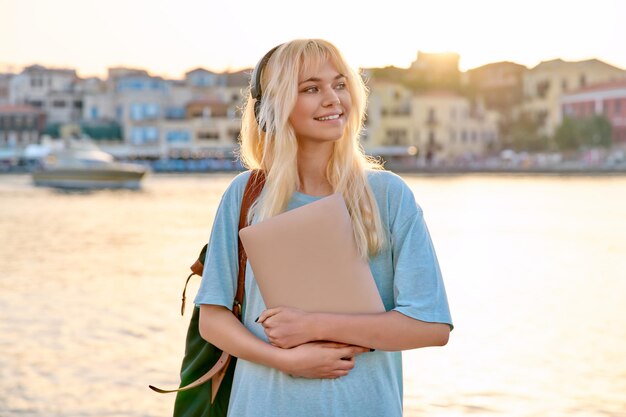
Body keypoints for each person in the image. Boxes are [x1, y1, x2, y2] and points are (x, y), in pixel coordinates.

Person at [195, 39, 453, 417]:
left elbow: (430, 326)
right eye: (311, 88)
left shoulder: (388, 195)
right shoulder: (246, 195)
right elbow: (212, 318)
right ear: (273, 108)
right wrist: (286, 361)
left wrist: (312, 325)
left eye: (340, 84)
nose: (333, 98)